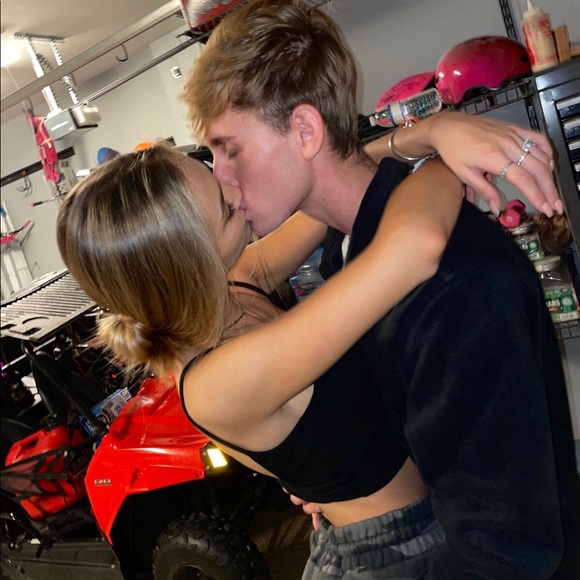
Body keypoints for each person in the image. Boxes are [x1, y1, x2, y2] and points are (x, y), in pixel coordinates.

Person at [182, 0, 580, 578]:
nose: (222, 179)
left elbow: (504, 555)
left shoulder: (453, 284)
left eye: (230, 149)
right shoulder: (348, 246)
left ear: (305, 130)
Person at [58, 143, 466, 577]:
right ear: (188, 258)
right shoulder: (219, 380)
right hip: (397, 553)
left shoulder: (234, 285)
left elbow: (333, 184)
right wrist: (447, 153)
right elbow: (417, 245)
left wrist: (412, 138)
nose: (236, 190)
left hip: (427, 502)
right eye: (224, 206)